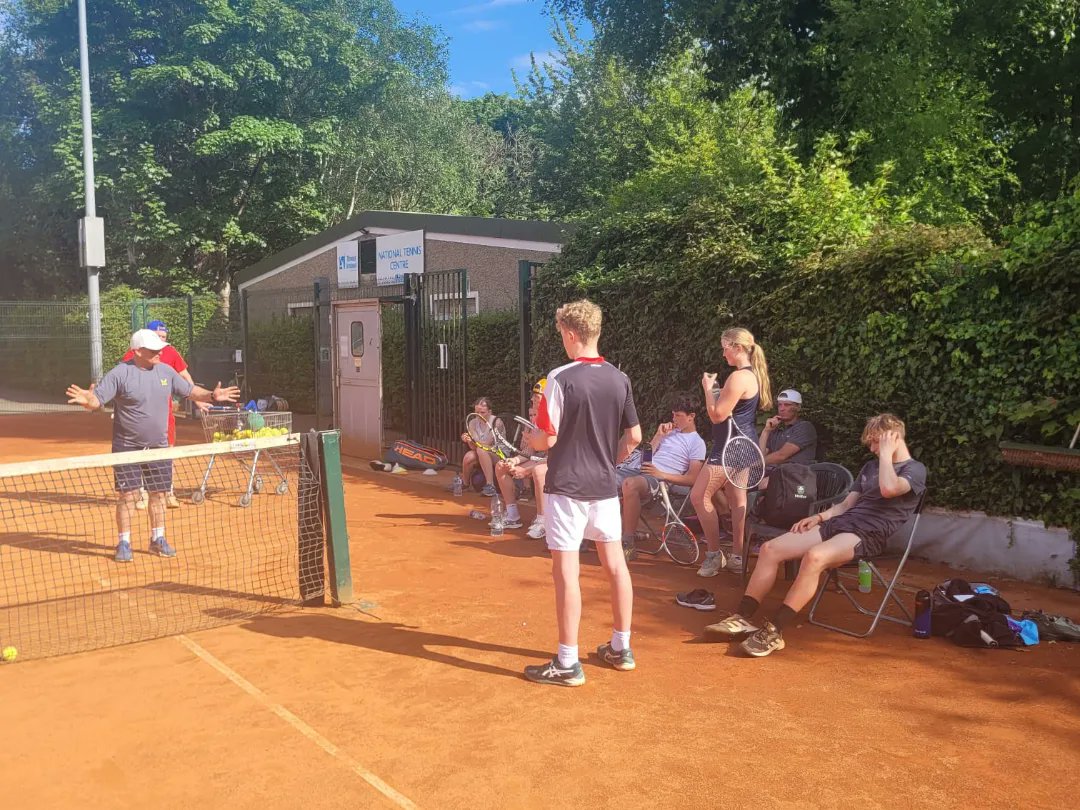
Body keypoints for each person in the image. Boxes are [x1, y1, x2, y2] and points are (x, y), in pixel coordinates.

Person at [705, 413, 927, 657]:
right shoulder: (870, 467)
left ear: (892, 439)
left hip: (867, 534)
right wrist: (819, 517)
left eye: (876, 442)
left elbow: (888, 489)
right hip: (842, 523)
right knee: (771, 549)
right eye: (872, 443)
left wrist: (886, 454)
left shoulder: (915, 470)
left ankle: (775, 631)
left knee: (814, 557)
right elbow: (845, 506)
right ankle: (743, 617)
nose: (873, 448)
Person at [522, 300, 641, 687]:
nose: (562, 340)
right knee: (616, 567)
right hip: (605, 489)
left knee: (566, 574)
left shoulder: (559, 378)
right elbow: (635, 437)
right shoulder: (619, 378)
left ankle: (568, 663)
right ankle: (622, 648)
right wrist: (610, 461)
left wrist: (532, 439)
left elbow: (547, 438)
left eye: (561, 334)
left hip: (567, 490)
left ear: (570, 333)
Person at [65, 329, 240, 562]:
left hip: (159, 446)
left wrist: (211, 395)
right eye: (153, 349)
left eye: (160, 348)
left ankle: (158, 539)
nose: (160, 352)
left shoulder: (166, 371)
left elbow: (190, 390)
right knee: (128, 496)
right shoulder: (120, 373)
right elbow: (98, 400)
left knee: (158, 494)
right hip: (127, 447)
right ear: (137, 351)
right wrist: (90, 401)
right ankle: (124, 542)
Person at [690, 327, 772, 577]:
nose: (723, 352)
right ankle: (738, 556)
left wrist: (707, 388)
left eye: (725, 347)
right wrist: (717, 392)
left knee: (699, 496)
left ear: (737, 347)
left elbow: (717, 415)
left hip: (729, 448)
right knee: (738, 502)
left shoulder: (738, 378)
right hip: (744, 446)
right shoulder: (751, 376)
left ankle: (714, 555)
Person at [120, 319, 206, 509]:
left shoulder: (170, 352)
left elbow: (184, 376)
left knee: (167, 453)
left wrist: (198, 399)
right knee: (142, 453)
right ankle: (142, 494)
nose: (161, 342)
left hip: (165, 415)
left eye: (164, 337)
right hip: (139, 416)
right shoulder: (134, 354)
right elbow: (123, 381)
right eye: (158, 337)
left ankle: (168, 492)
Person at [620, 393, 707, 559]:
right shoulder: (668, 433)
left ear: (691, 417)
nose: (674, 419)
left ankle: (628, 543)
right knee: (602, 478)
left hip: (659, 480)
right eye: (673, 414)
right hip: (639, 469)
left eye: (679, 416)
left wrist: (661, 474)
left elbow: (693, 479)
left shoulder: (697, 443)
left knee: (629, 485)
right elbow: (646, 456)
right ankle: (591, 535)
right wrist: (658, 436)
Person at [494, 380, 548, 539]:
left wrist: (526, 470)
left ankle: (543, 520)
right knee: (501, 466)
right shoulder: (534, 420)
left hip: (557, 461)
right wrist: (514, 461)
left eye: (538, 397)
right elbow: (530, 450)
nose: (534, 400)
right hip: (540, 458)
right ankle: (512, 516)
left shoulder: (555, 419)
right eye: (534, 397)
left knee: (538, 472)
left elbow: (555, 456)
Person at [758, 389, 818, 483]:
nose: (782, 409)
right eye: (780, 405)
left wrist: (755, 464)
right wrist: (766, 431)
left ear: (798, 407)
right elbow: (760, 455)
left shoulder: (804, 427)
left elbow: (781, 456)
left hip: (796, 477)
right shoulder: (776, 430)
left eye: (787, 405)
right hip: (774, 473)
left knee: (758, 485)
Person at [460, 397, 505, 497]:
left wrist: (473, 441)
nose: (479, 415)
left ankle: (490, 485)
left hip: (499, 454)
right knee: (469, 456)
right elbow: (473, 447)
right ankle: (465, 483)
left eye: (482, 412)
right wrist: (468, 441)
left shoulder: (496, 422)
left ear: (489, 411)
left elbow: (487, 444)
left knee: (481, 450)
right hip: (481, 451)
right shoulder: (472, 423)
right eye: (476, 412)